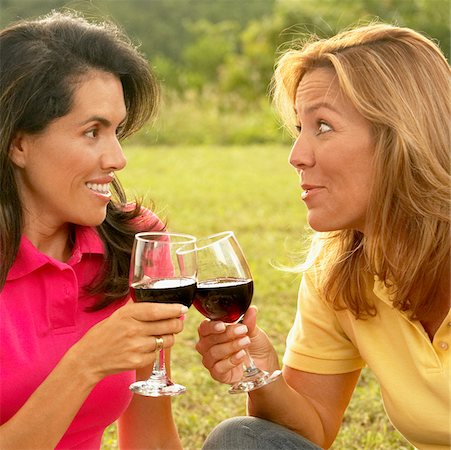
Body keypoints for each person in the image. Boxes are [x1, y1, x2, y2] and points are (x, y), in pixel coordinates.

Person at [196, 23, 450, 450]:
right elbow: (305, 432)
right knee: (242, 440)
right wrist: (263, 375)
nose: (297, 156)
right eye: (299, 129)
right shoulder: (337, 271)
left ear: (401, 136)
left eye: (324, 127)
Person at [0, 11, 186, 449]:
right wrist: (84, 364)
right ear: (18, 143)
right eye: (91, 132)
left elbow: (150, 432)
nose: (117, 158)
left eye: (116, 130)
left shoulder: (135, 243)